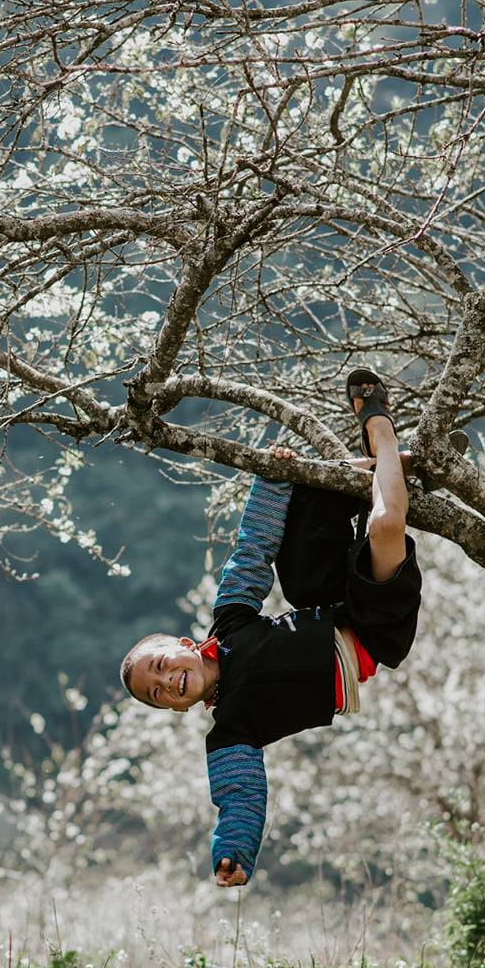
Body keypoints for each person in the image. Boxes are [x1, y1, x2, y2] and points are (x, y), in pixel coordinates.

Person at [118, 368, 423, 887]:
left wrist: (272, 478)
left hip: (331, 604)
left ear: (186, 645)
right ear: (173, 707)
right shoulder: (231, 730)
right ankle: (383, 436)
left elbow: (252, 554)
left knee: (299, 530)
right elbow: (239, 795)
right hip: (373, 632)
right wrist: (232, 852)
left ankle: (364, 469)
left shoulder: (231, 623)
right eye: (159, 691)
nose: (167, 680)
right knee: (385, 524)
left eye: (163, 665)